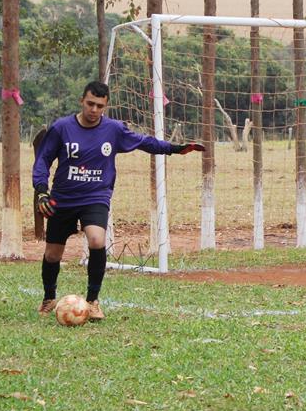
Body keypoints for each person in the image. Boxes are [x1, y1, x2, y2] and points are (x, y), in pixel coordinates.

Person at [32, 81, 204, 321]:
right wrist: (42, 190)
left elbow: (144, 142)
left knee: (96, 239)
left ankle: (92, 301)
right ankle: (49, 297)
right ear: (82, 100)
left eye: (99, 106)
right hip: (63, 198)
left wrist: (174, 149)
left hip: (96, 196)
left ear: (106, 106)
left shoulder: (113, 130)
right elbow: (43, 160)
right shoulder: (62, 128)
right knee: (52, 254)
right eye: (90, 103)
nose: (94, 109)